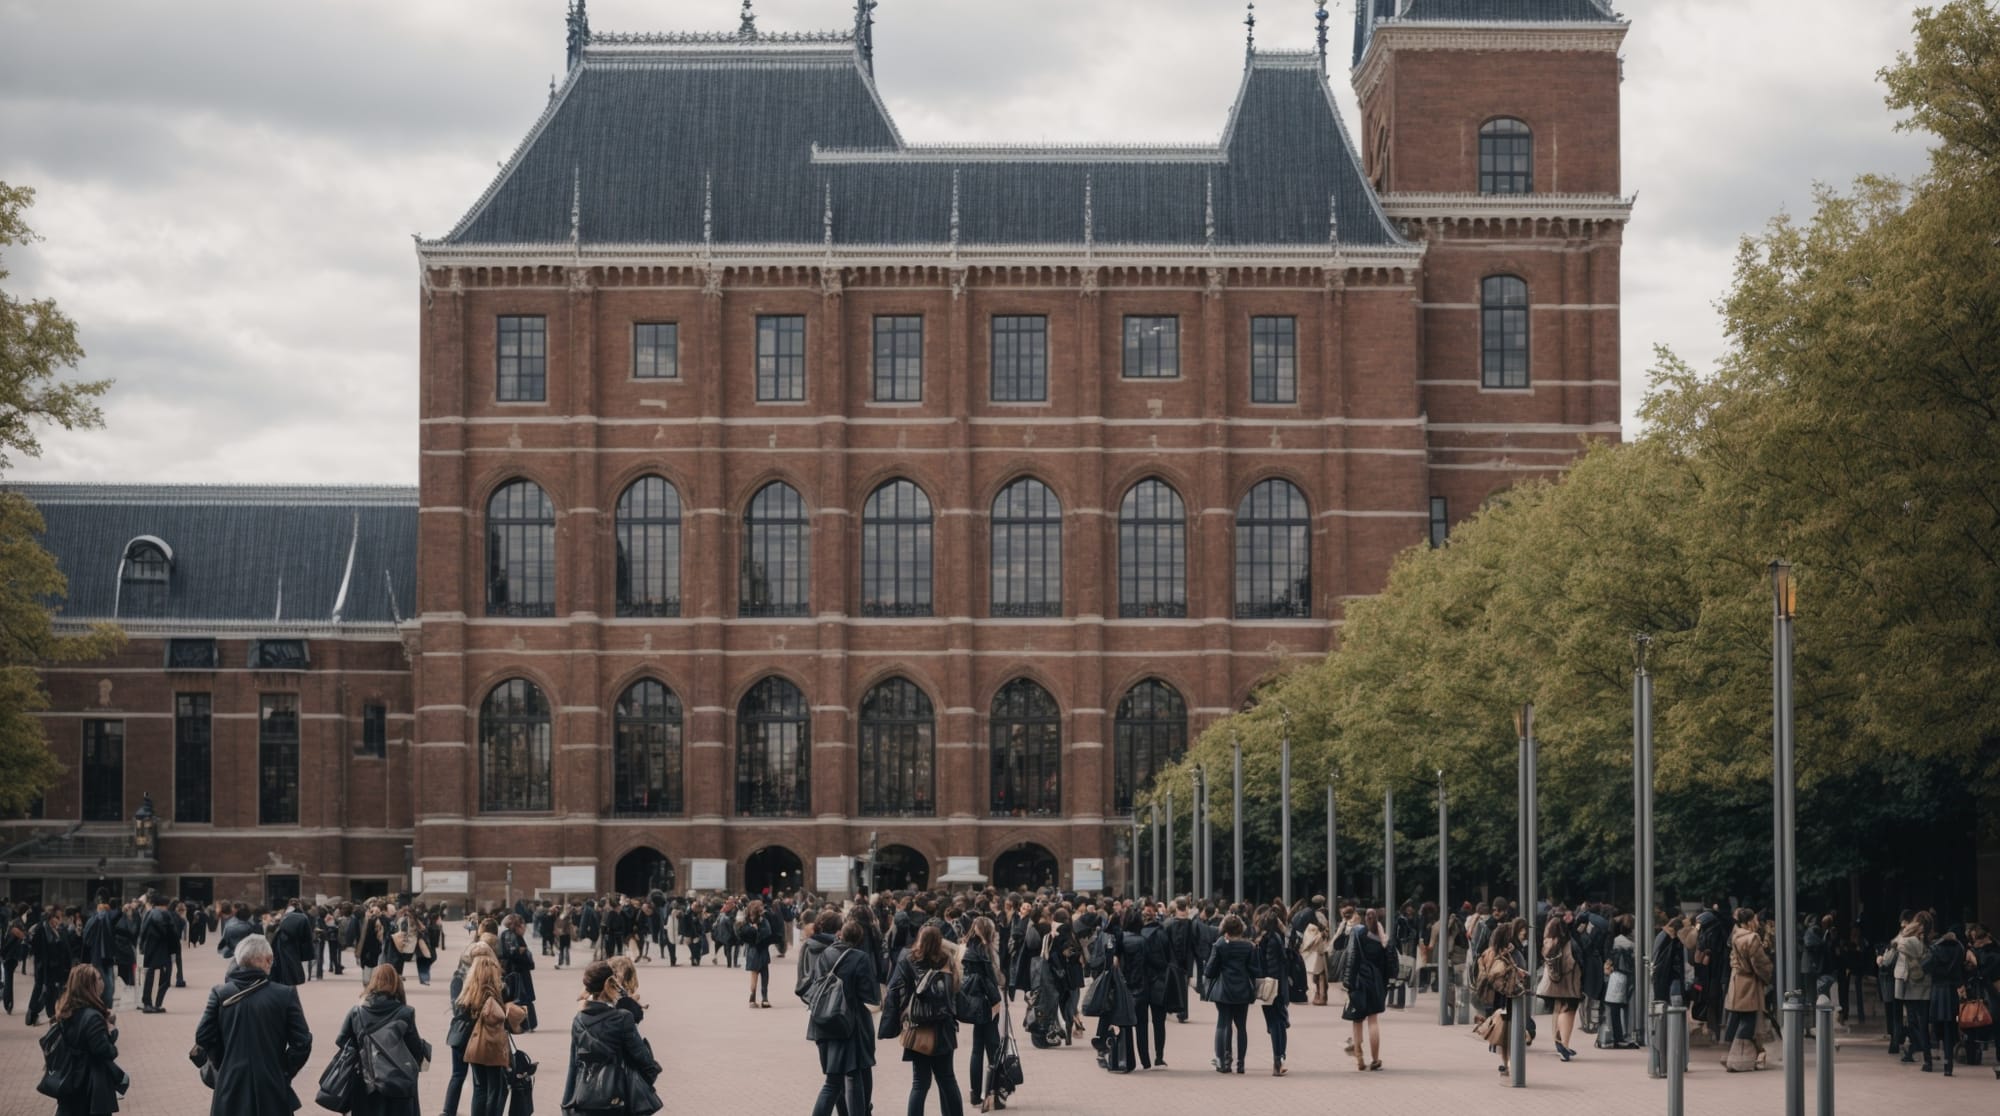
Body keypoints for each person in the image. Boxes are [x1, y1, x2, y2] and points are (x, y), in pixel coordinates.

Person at [194, 934, 313, 1116]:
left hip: (230, 1082)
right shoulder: (284, 994)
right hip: (271, 1082)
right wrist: (284, 1070)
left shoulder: (220, 993)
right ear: (267, 960)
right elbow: (302, 1042)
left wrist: (223, 1061)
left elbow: (203, 1036)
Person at [559, 961, 661, 1113]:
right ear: (610, 983)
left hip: (585, 1097)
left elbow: (574, 1065)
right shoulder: (622, 1018)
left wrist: (568, 1102)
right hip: (617, 1097)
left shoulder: (578, 1020)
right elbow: (642, 1058)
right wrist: (648, 1075)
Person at [886, 924, 965, 1116]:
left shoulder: (909, 960)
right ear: (939, 941)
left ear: (920, 939)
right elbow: (955, 990)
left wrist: (897, 1017)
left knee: (919, 1083)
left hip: (918, 1027)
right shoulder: (947, 960)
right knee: (947, 1079)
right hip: (943, 1027)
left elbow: (895, 989)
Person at [808, 918, 880, 1116]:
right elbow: (870, 995)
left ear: (841, 934)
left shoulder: (825, 954)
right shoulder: (860, 957)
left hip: (822, 1020)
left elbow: (815, 983)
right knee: (848, 1077)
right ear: (859, 939)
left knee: (832, 1080)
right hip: (848, 1022)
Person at [335, 966, 429, 1116]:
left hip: (366, 1082)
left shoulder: (357, 1012)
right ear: (396, 983)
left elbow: (342, 1041)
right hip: (397, 1084)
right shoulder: (405, 1013)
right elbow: (416, 1049)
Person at [452, 954, 525, 1116]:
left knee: (480, 1088)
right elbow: (506, 1017)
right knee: (496, 1088)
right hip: (493, 1045)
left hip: (475, 1045)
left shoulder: (468, 994)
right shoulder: (497, 992)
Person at [440, 941, 497, 1116]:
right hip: (472, 1034)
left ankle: (449, 1112)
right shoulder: (485, 979)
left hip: (464, 1033)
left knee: (468, 1077)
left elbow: (457, 1009)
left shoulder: (460, 977)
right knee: (469, 1079)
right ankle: (448, 1111)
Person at [960, 916, 1005, 1110]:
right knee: (994, 1049)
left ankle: (975, 1094)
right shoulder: (984, 951)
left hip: (975, 1002)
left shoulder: (968, 948)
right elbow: (991, 980)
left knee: (977, 1049)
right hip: (988, 1003)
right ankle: (993, 1094)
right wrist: (997, 1000)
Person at [1721, 907, 1773, 1072]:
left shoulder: (1735, 935)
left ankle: (1728, 1053)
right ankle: (1740, 1057)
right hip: (1748, 982)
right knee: (1748, 1018)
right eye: (1755, 919)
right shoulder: (1751, 938)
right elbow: (1759, 963)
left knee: (1736, 1016)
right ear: (1750, 920)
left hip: (1736, 980)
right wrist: (1768, 976)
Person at [1204, 914, 1255, 1074]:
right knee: (1241, 1027)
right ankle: (1241, 1064)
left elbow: (1210, 971)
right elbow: (1255, 970)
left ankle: (1222, 1062)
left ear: (1225, 929)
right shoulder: (1249, 946)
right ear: (1241, 929)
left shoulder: (1220, 945)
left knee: (1223, 1024)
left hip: (1224, 990)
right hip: (1242, 991)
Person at [1342, 908, 1391, 1072]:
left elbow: (1352, 957)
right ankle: (1375, 1060)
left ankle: (1359, 1058)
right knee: (1373, 1020)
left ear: (1365, 919)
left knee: (1357, 1020)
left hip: (1359, 980)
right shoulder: (1382, 936)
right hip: (1375, 981)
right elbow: (1388, 962)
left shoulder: (1359, 933)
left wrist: (1348, 981)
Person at [1538, 911, 1584, 1060]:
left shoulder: (1549, 940)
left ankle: (1562, 1044)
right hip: (1568, 983)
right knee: (1568, 1009)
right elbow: (1574, 961)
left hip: (1555, 982)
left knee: (1560, 1010)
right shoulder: (1567, 942)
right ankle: (1563, 1045)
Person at [1251, 908, 1291, 1076]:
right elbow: (1284, 958)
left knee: (1274, 1022)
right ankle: (1278, 1058)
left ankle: (1279, 1058)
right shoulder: (1276, 939)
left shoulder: (1261, 940)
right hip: (1276, 986)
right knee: (1279, 1023)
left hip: (1267, 986)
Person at [135, 892, 176, 1014]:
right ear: (164, 905)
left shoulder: (149, 914)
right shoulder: (161, 915)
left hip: (151, 950)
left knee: (154, 977)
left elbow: (143, 933)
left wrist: (142, 947)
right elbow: (168, 933)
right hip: (159, 951)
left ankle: (151, 1003)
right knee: (160, 978)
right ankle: (151, 1004)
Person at [497, 913, 539, 1032]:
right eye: (523, 925)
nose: (525, 928)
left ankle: (520, 1023)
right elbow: (513, 953)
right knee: (523, 997)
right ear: (518, 926)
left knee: (516, 997)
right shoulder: (511, 936)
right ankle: (527, 1024)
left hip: (513, 971)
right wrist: (522, 953)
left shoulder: (509, 935)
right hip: (517, 972)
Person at [1604, 914, 1638, 1049]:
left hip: (1616, 976)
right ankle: (1621, 1036)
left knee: (1614, 1009)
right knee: (1619, 1008)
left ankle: (1617, 1036)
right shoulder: (1629, 942)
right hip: (1624, 977)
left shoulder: (1615, 940)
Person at [743, 899, 775, 1007]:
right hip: (762, 951)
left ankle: (752, 999)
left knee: (753, 975)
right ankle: (764, 999)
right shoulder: (763, 921)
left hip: (752, 952)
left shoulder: (747, 921)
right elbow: (768, 934)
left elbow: (742, 934)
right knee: (764, 975)